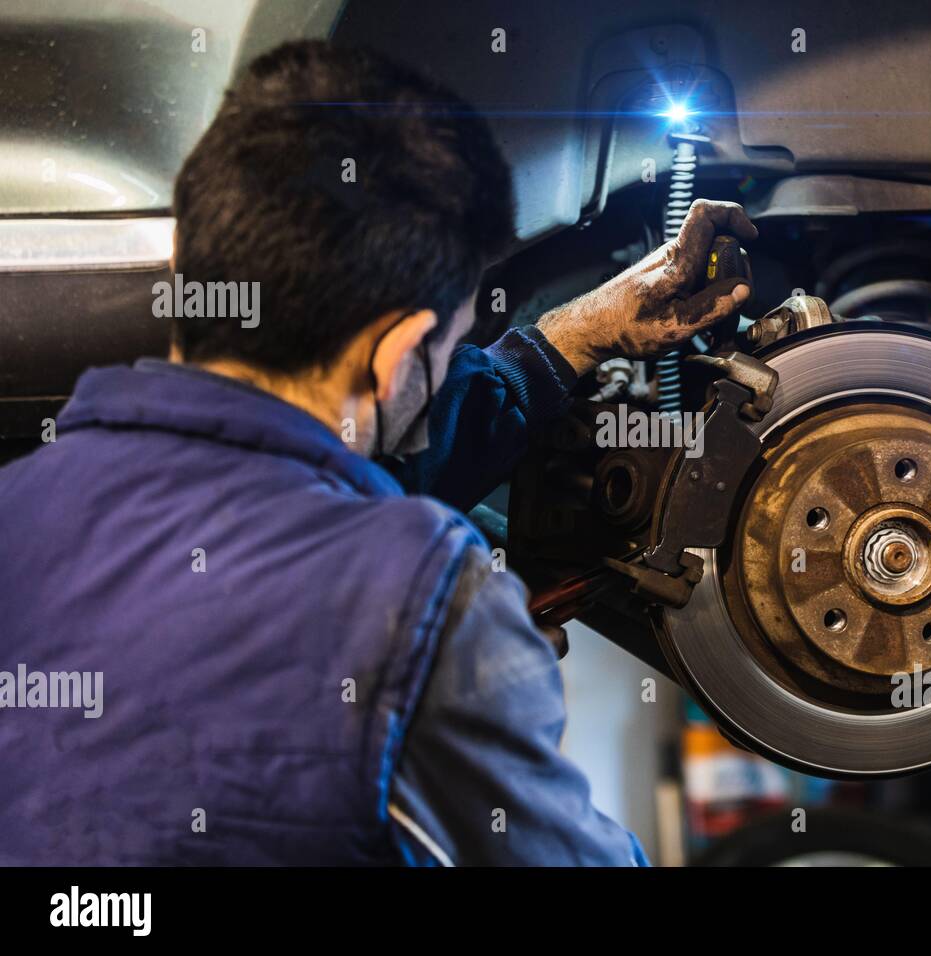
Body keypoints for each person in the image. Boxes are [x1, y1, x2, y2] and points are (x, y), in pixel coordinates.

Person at [0, 40, 755, 865]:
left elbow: (308, 468)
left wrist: (569, 340)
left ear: (187, 261)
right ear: (397, 359)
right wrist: (470, 673)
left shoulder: (20, 511)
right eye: (445, 352)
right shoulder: (418, 602)